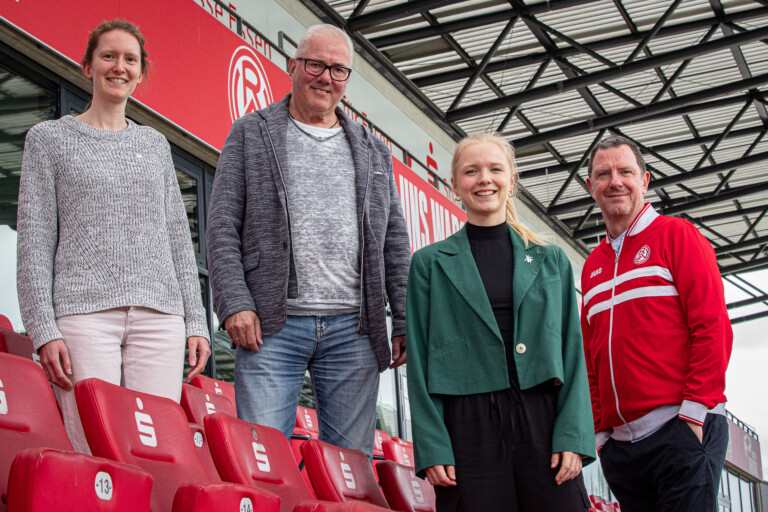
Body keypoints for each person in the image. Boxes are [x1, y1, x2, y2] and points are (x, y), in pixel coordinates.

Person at [206, 24, 410, 458]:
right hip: (271, 328)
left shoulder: (374, 151)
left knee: (349, 470)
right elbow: (222, 225)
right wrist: (234, 303)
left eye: (339, 70)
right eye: (316, 64)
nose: (326, 78)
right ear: (293, 65)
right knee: (262, 459)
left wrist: (405, 318)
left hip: (354, 331)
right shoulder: (251, 133)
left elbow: (395, 241)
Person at [16, 19, 211, 453]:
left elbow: (180, 240)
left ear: (141, 74)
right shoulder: (48, 139)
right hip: (84, 316)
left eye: (130, 60)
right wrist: (43, 329)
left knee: (155, 451)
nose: (118, 67)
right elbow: (33, 242)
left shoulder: (156, 145)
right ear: (87, 66)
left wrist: (196, 322)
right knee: (91, 446)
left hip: (160, 320)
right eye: (108, 56)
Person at [406, 133, 595, 511]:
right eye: (471, 171)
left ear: (512, 180)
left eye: (495, 169)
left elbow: (573, 352)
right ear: (455, 184)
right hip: (467, 427)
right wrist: (433, 444)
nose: (484, 179)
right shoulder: (429, 264)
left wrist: (573, 435)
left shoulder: (551, 259)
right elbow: (419, 361)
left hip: (542, 418)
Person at [580, 135, 732, 512]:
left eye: (625, 172)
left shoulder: (678, 236)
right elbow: (590, 356)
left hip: (681, 430)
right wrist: (601, 432)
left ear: (644, 181)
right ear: (591, 187)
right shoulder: (591, 266)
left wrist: (694, 413)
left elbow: (712, 327)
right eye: (603, 174)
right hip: (622, 449)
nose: (615, 181)